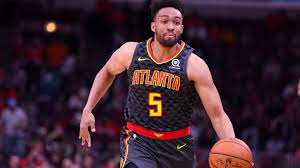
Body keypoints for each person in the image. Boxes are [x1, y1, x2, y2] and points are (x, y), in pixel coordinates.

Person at [79, 0, 236, 167]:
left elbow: (217, 115)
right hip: (139, 141)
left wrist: (233, 147)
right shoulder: (131, 52)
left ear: (182, 28)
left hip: (178, 146)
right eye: (164, 21)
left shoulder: (194, 65)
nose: (170, 26)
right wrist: (88, 108)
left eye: (176, 22)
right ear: (153, 26)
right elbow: (107, 71)